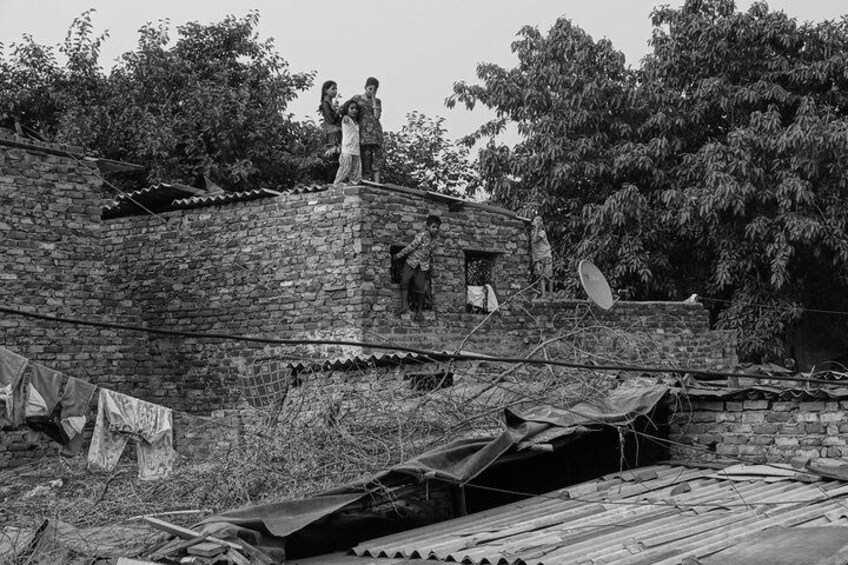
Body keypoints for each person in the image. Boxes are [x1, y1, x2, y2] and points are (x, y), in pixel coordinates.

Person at [394, 215, 441, 321]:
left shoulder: (436, 241)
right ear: (427, 227)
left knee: (420, 288)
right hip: (411, 263)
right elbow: (411, 247)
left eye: (437, 227)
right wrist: (399, 255)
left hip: (423, 266)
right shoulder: (421, 236)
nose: (435, 229)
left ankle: (419, 312)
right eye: (433, 227)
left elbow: (431, 253)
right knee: (404, 282)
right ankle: (404, 306)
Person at [352, 77, 383, 183]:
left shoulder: (377, 101)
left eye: (374, 89)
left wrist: (373, 98)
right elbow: (349, 109)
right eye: (370, 88)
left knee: (376, 161)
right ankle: (365, 183)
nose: (371, 91)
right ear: (365, 87)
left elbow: (377, 116)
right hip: (362, 134)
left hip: (375, 134)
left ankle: (377, 185)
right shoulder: (357, 98)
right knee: (365, 160)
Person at [333, 100, 362, 185]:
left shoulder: (356, 123)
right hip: (347, 151)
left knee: (356, 176)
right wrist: (343, 112)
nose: (354, 110)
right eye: (351, 108)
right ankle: (335, 187)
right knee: (344, 172)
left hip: (356, 151)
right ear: (347, 110)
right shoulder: (346, 119)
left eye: (356, 108)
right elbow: (341, 114)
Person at [531, 215, 553, 295]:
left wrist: (537, 228)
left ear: (542, 223)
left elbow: (535, 240)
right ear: (533, 223)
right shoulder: (533, 233)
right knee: (541, 277)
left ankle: (551, 295)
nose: (538, 221)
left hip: (546, 256)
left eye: (540, 220)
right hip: (538, 258)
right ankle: (544, 294)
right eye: (536, 220)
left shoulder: (542, 232)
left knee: (549, 276)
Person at [318, 80, 341, 151]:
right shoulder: (325, 103)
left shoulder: (330, 103)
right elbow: (331, 120)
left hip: (336, 132)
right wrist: (338, 111)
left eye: (336, 89)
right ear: (326, 90)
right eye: (333, 89)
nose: (335, 91)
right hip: (331, 134)